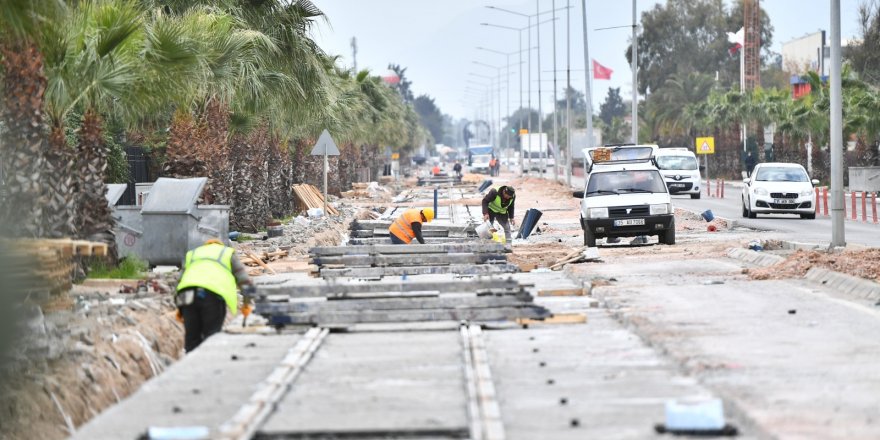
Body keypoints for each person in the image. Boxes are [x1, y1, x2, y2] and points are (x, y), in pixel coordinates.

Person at [175, 238, 254, 352]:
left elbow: (179, 282)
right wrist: (247, 303)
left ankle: (191, 360)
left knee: (191, 339)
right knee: (211, 337)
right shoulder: (227, 253)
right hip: (212, 295)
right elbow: (245, 281)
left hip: (187, 295)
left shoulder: (192, 254)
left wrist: (179, 307)